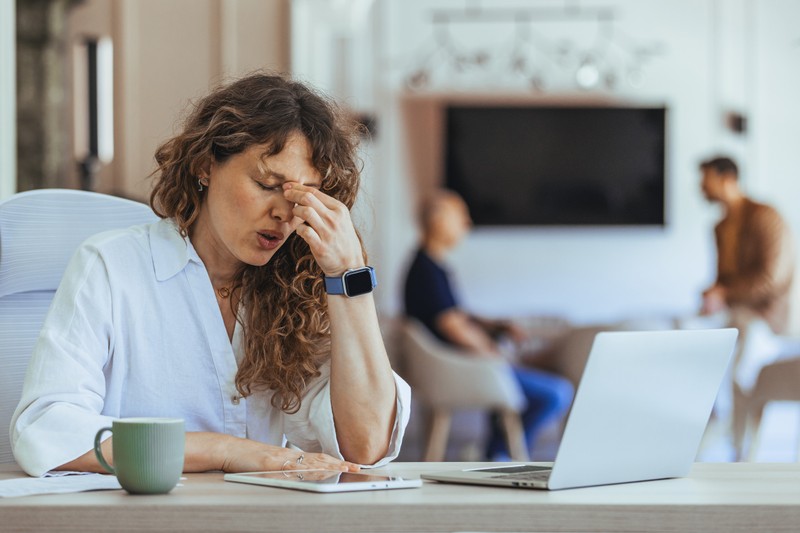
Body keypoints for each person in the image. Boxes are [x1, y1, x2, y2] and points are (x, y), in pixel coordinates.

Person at [11, 73, 410, 477]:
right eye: (267, 184)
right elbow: (45, 432)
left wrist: (349, 277)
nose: (284, 213)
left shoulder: (300, 289)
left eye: (303, 196)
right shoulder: (111, 267)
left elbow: (367, 445)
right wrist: (226, 451)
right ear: (205, 166)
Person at [403, 189, 573, 460]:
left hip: (463, 365)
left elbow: (456, 314)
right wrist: (493, 354)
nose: (466, 224)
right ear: (439, 221)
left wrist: (496, 324)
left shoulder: (430, 266)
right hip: (460, 368)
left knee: (534, 385)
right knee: (557, 393)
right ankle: (502, 452)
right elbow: (452, 325)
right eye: (461, 217)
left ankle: (496, 452)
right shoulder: (426, 271)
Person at [698, 155, 795, 457]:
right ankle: (711, 426)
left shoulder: (765, 217)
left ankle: (739, 446)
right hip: (734, 316)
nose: (700, 187)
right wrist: (713, 296)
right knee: (692, 341)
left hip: (767, 319)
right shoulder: (720, 227)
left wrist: (724, 293)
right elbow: (722, 280)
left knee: (743, 367)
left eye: (706, 179)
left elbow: (771, 277)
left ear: (727, 179)